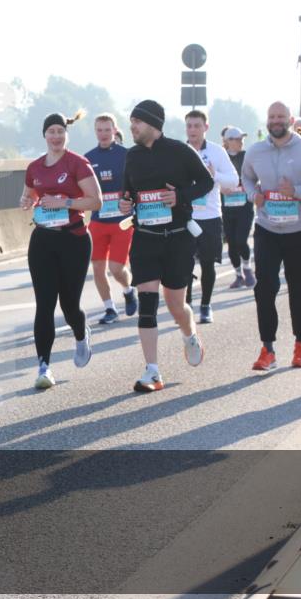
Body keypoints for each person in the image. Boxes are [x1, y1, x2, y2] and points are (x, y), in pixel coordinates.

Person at [117, 100, 211, 392]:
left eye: (137, 122)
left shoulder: (179, 151)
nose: (132, 127)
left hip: (177, 238)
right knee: (147, 304)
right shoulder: (132, 156)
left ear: (153, 124)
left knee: (175, 305)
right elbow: (127, 192)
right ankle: (153, 372)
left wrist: (180, 196)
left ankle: (189, 333)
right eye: (132, 121)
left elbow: (206, 183)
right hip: (145, 238)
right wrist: (125, 203)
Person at [242, 102, 301, 370]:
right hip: (267, 228)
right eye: (272, 117)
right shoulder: (256, 151)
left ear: (290, 120)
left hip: (298, 230)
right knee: (264, 287)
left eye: (281, 116)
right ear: (267, 120)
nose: (276, 120)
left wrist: (296, 192)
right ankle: (267, 349)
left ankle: (300, 343)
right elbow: (246, 178)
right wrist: (252, 195)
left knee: (297, 287)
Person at [19, 111, 101, 389]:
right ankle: (44, 366)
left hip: (74, 241)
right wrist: (26, 201)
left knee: (69, 306)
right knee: (44, 304)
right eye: (51, 131)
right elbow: (30, 194)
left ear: (66, 134)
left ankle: (80, 333)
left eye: (60, 131)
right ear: (44, 135)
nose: (56, 136)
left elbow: (96, 201)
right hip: (43, 240)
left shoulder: (77, 163)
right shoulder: (35, 167)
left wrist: (64, 203)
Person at [183, 110, 240, 323]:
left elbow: (233, 180)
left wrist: (214, 174)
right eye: (189, 126)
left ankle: (205, 305)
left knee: (208, 264)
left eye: (197, 126)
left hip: (210, 217)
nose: (193, 130)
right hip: (186, 216)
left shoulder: (217, 151)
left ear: (206, 127)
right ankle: (186, 306)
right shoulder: (180, 151)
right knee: (184, 264)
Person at [85, 113, 138, 324]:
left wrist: (131, 200)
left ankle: (128, 289)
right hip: (98, 220)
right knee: (98, 268)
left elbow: (137, 184)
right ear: (95, 132)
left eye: (107, 130)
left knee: (116, 269)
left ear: (115, 130)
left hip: (122, 221)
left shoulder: (127, 154)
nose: (103, 134)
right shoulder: (88, 158)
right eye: (99, 130)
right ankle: (109, 308)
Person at [221, 127, 256, 289]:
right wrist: (221, 188)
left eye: (242, 139)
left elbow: (256, 177)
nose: (241, 142)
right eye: (237, 139)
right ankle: (238, 275)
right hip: (227, 208)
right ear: (228, 141)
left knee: (241, 240)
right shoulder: (221, 157)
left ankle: (247, 268)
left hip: (245, 206)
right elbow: (212, 178)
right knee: (232, 244)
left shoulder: (247, 156)